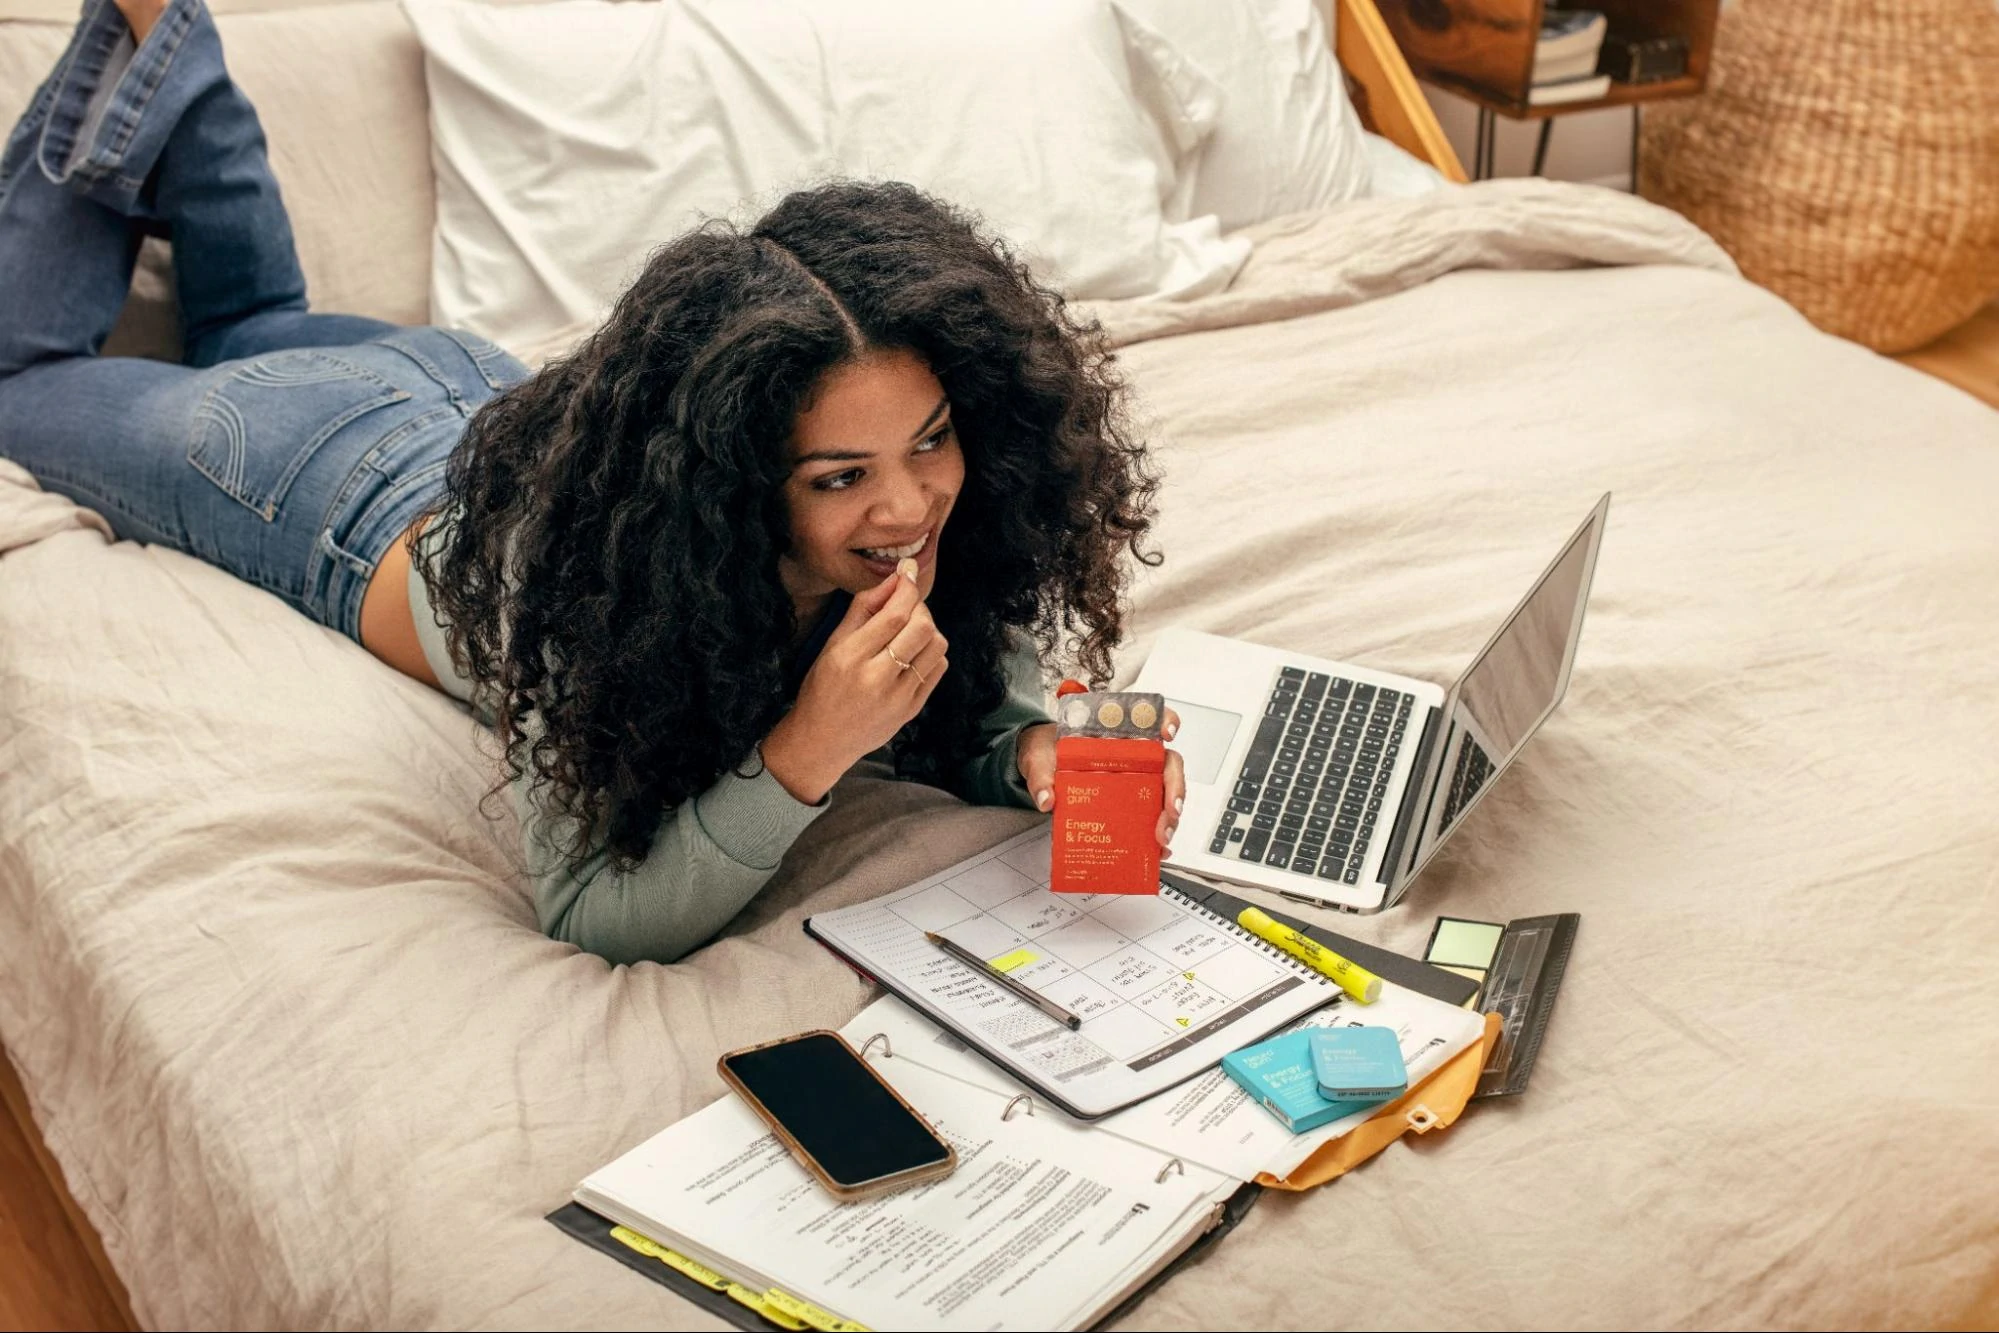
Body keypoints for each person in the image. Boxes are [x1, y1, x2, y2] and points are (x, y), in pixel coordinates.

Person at [0, 0, 1187, 964]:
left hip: (470, 378)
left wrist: (1032, 752)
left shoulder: (934, 519)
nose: (908, 505)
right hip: (329, 479)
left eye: (930, 440)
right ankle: (154, 35)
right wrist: (807, 750)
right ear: (729, 475)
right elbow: (588, 911)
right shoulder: (598, 577)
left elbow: (989, 699)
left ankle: (182, 64)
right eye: (840, 476)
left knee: (253, 321)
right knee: (19, 380)